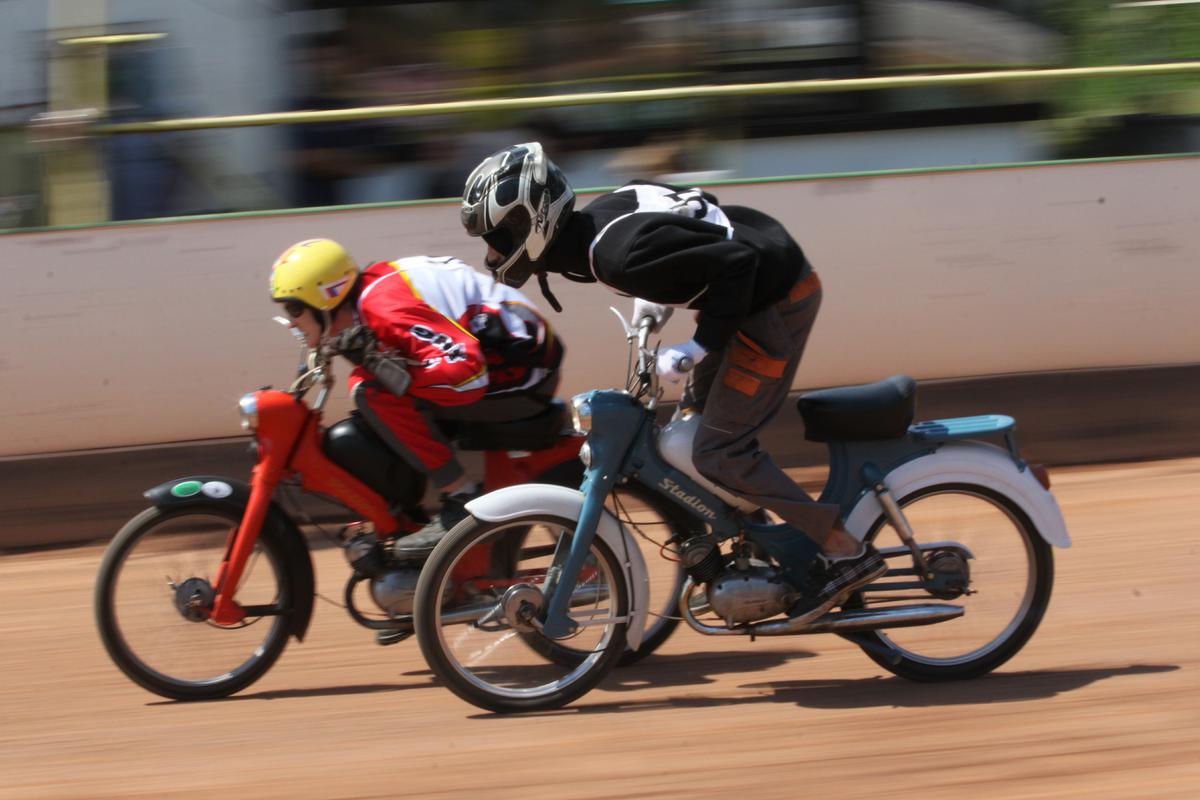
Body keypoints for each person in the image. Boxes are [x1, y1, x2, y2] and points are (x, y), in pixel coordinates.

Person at [458, 142, 886, 625]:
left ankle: (843, 549)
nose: (492, 253)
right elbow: (688, 215)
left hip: (774, 305)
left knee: (717, 451)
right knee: (689, 429)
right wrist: (655, 302)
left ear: (532, 223)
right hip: (747, 300)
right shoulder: (600, 222)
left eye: (497, 236)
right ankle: (762, 553)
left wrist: (700, 345)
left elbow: (738, 263)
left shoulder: (616, 256)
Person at [269, 239, 563, 535]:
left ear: (326, 300)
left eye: (295, 309)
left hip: (525, 370)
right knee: (376, 384)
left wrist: (390, 370)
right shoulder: (370, 294)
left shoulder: (383, 308)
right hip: (509, 355)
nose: (292, 322)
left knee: (371, 388)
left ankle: (461, 496)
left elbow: (468, 374)